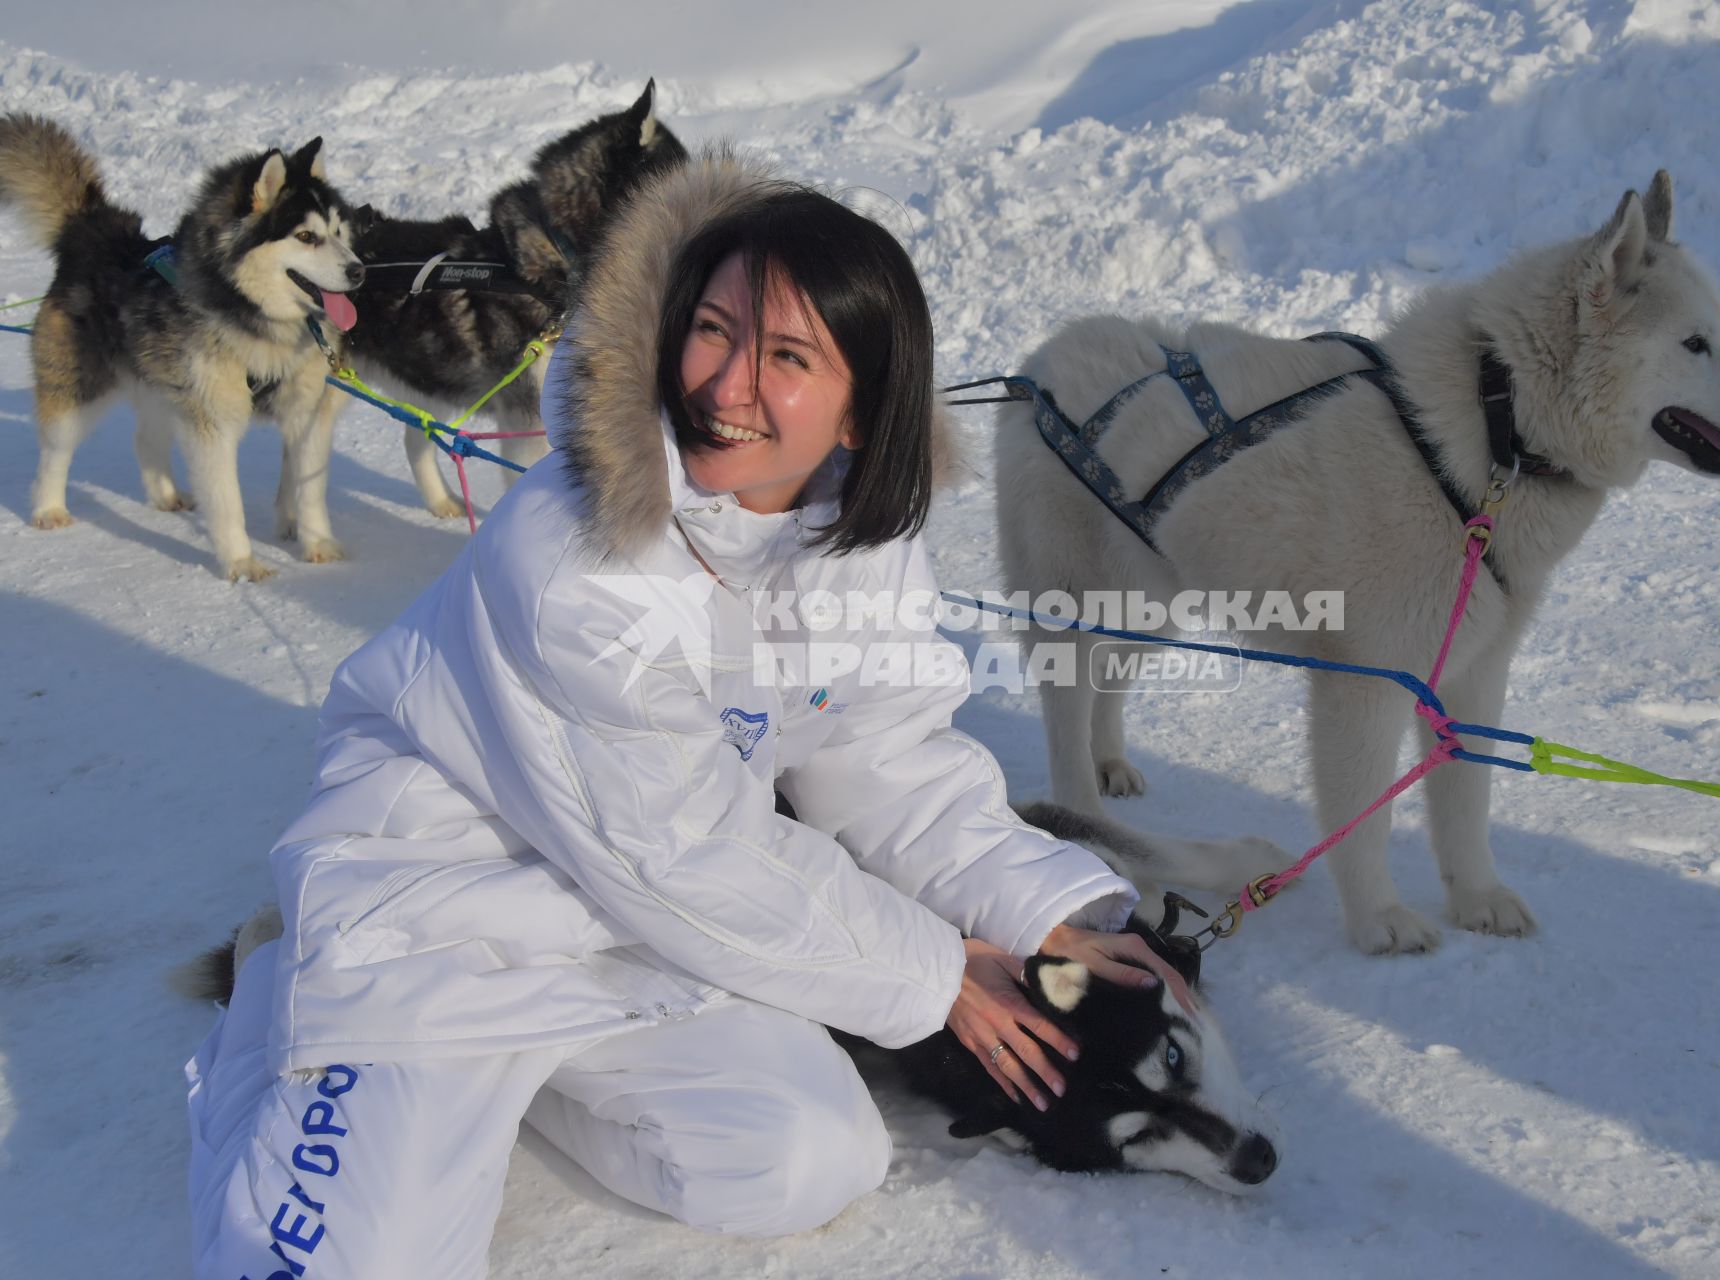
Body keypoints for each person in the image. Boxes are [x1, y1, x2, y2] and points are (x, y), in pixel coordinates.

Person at [185, 151, 1187, 1280]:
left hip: (632, 927)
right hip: (443, 899)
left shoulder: (856, 538)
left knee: (803, 1157)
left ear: (862, 409)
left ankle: (512, 1084)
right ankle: (293, 1005)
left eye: (790, 356)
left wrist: (1045, 904)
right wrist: (937, 969)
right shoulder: (583, 552)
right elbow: (680, 847)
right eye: (712, 329)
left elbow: (887, 756)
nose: (726, 384)